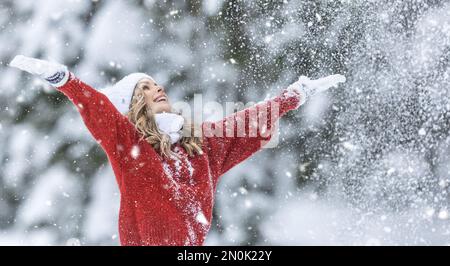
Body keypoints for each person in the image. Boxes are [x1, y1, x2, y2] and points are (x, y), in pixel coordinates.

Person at [9, 55, 345, 245]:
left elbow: (247, 123)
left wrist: (294, 96)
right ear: (132, 107)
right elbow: (100, 111)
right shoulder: (130, 147)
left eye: (156, 84)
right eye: (145, 88)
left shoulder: (200, 146)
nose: (157, 89)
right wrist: (66, 80)